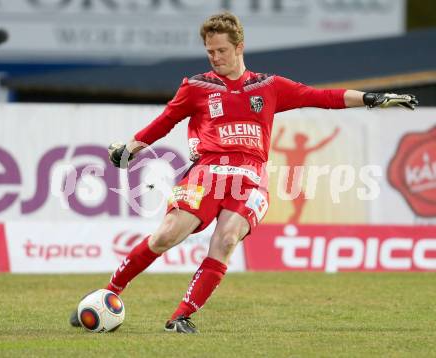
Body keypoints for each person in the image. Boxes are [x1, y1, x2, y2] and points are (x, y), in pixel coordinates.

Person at [69, 12, 417, 333]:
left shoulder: (269, 86)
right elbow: (165, 122)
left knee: (227, 238)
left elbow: (322, 96)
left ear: (240, 47)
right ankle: (107, 293)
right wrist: (131, 147)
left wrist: (371, 99)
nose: (215, 58)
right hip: (206, 173)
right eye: (209, 52)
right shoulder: (197, 87)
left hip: (251, 178)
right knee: (166, 236)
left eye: (221, 50)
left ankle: (181, 316)